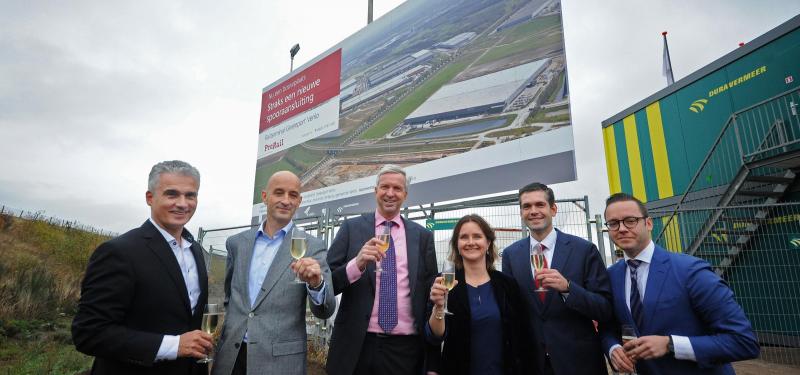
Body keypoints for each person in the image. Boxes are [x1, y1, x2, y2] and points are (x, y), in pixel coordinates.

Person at [72, 160, 211, 375]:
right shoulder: (119, 252)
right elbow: (89, 333)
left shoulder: (196, 251)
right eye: (172, 194)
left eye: (190, 195)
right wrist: (174, 346)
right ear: (150, 198)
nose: (183, 204)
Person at [601, 192, 759, 374]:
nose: (621, 228)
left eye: (630, 220)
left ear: (649, 223)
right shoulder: (611, 276)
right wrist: (613, 349)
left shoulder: (691, 271)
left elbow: (743, 342)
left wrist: (671, 344)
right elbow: (608, 328)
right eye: (613, 223)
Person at [212, 171, 336, 375]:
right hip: (231, 359)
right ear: (264, 197)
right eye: (279, 193)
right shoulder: (236, 244)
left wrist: (317, 284)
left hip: (280, 363)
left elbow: (326, 309)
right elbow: (230, 298)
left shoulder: (313, 246)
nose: (286, 200)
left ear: (299, 201)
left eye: (293, 195)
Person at [326, 164, 438, 375]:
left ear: (405, 194)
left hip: (405, 350)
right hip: (357, 345)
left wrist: (432, 361)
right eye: (384, 187)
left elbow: (430, 299)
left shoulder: (422, 237)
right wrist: (356, 265)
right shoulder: (351, 229)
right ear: (375, 191)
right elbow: (327, 284)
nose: (390, 193)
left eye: (397, 188)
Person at [501, 182, 613, 375]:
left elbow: (604, 308)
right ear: (521, 213)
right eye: (527, 206)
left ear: (553, 209)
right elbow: (511, 309)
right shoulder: (511, 255)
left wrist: (568, 288)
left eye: (540, 205)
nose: (533, 211)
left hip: (578, 362)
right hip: (531, 362)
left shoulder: (584, 250)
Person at [426, 214, 533, 375]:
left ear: (488, 243)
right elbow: (434, 337)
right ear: (456, 244)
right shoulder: (442, 282)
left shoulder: (507, 285)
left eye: (477, 236)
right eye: (464, 237)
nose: (470, 242)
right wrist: (439, 308)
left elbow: (522, 335)